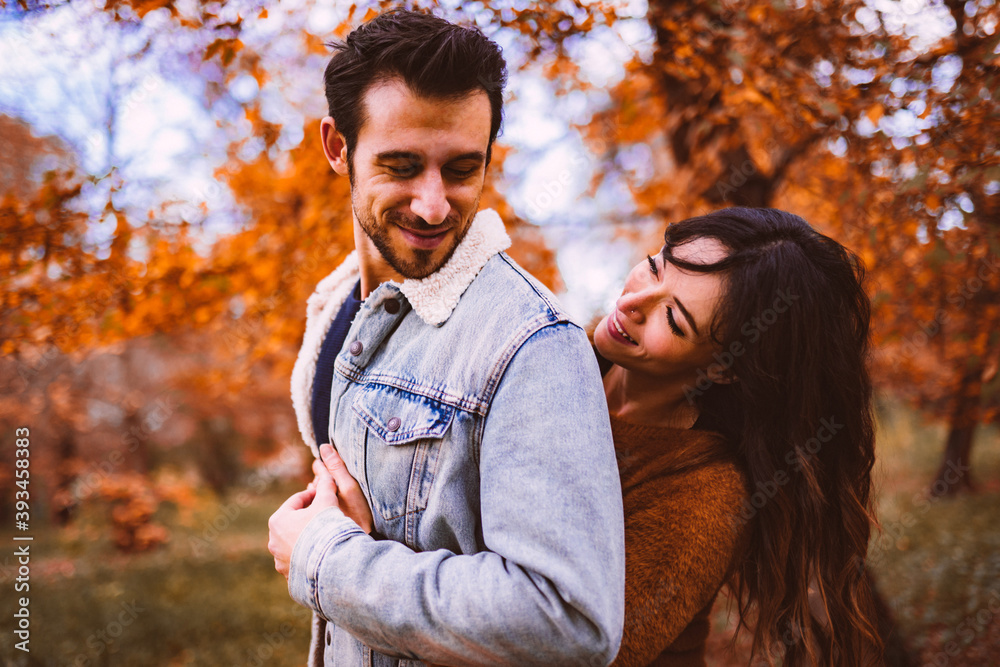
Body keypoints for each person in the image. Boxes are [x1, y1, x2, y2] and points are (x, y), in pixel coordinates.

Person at [266, 9, 625, 667]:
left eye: (462, 169)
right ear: (337, 147)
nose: (434, 206)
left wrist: (322, 556)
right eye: (401, 165)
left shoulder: (533, 347)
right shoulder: (339, 307)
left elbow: (568, 620)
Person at [592, 207, 882, 666]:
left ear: (722, 368)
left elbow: (589, 650)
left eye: (673, 319)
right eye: (654, 267)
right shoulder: (566, 360)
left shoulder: (708, 496)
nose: (632, 303)